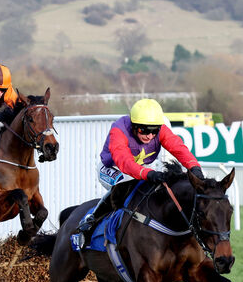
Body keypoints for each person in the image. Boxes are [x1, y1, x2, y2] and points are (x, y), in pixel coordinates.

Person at [77, 98, 204, 236]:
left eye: (154, 131)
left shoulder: (161, 130)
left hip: (138, 169)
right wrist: (148, 173)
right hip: (112, 168)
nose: (149, 136)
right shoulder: (119, 130)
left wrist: (194, 167)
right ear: (133, 125)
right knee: (123, 186)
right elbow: (124, 161)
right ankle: (91, 220)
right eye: (144, 130)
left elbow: (178, 148)